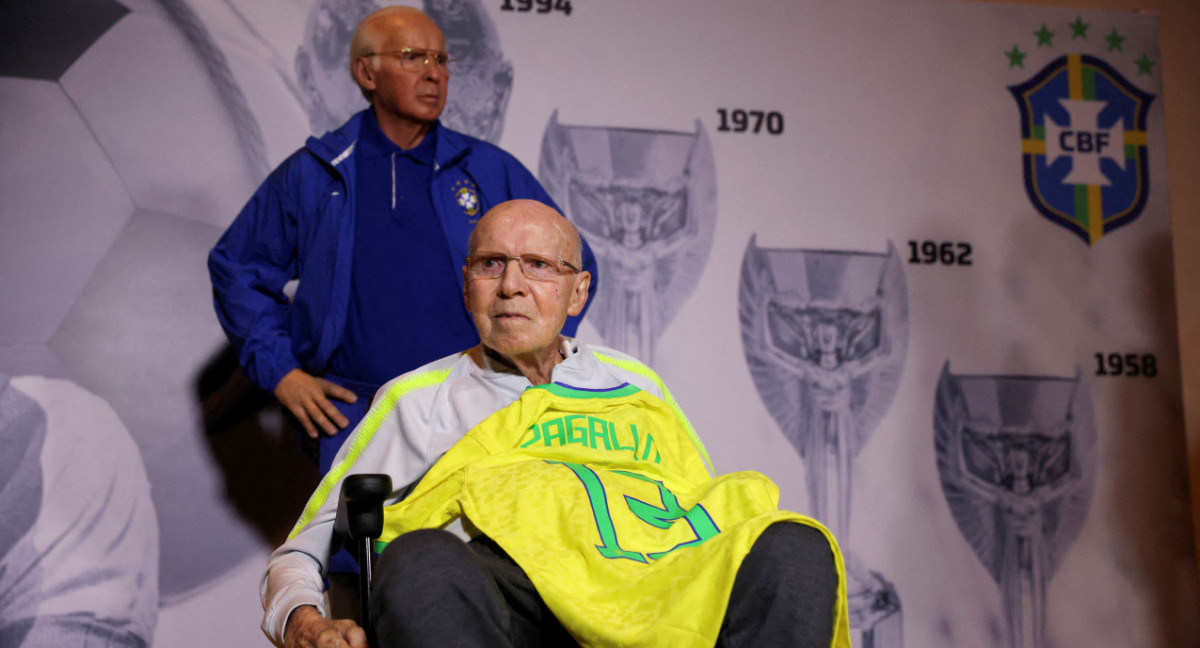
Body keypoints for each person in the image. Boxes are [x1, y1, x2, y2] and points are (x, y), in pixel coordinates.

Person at [260, 200, 851, 648]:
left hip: (655, 585)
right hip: (510, 604)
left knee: (793, 546)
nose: (511, 285)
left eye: (538, 265)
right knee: (418, 560)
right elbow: (300, 553)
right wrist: (305, 623)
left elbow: (705, 513)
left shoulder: (636, 386)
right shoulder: (419, 398)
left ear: (578, 292)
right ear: (467, 284)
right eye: (492, 264)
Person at [208, 6, 595, 472]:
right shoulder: (317, 172)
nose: (433, 75)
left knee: (479, 546)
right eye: (413, 57)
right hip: (357, 417)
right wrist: (285, 374)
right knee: (361, 547)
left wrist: (532, 362)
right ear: (366, 71)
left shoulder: (489, 170)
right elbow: (238, 269)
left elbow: (570, 262)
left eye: (441, 61)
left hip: (479, 413)